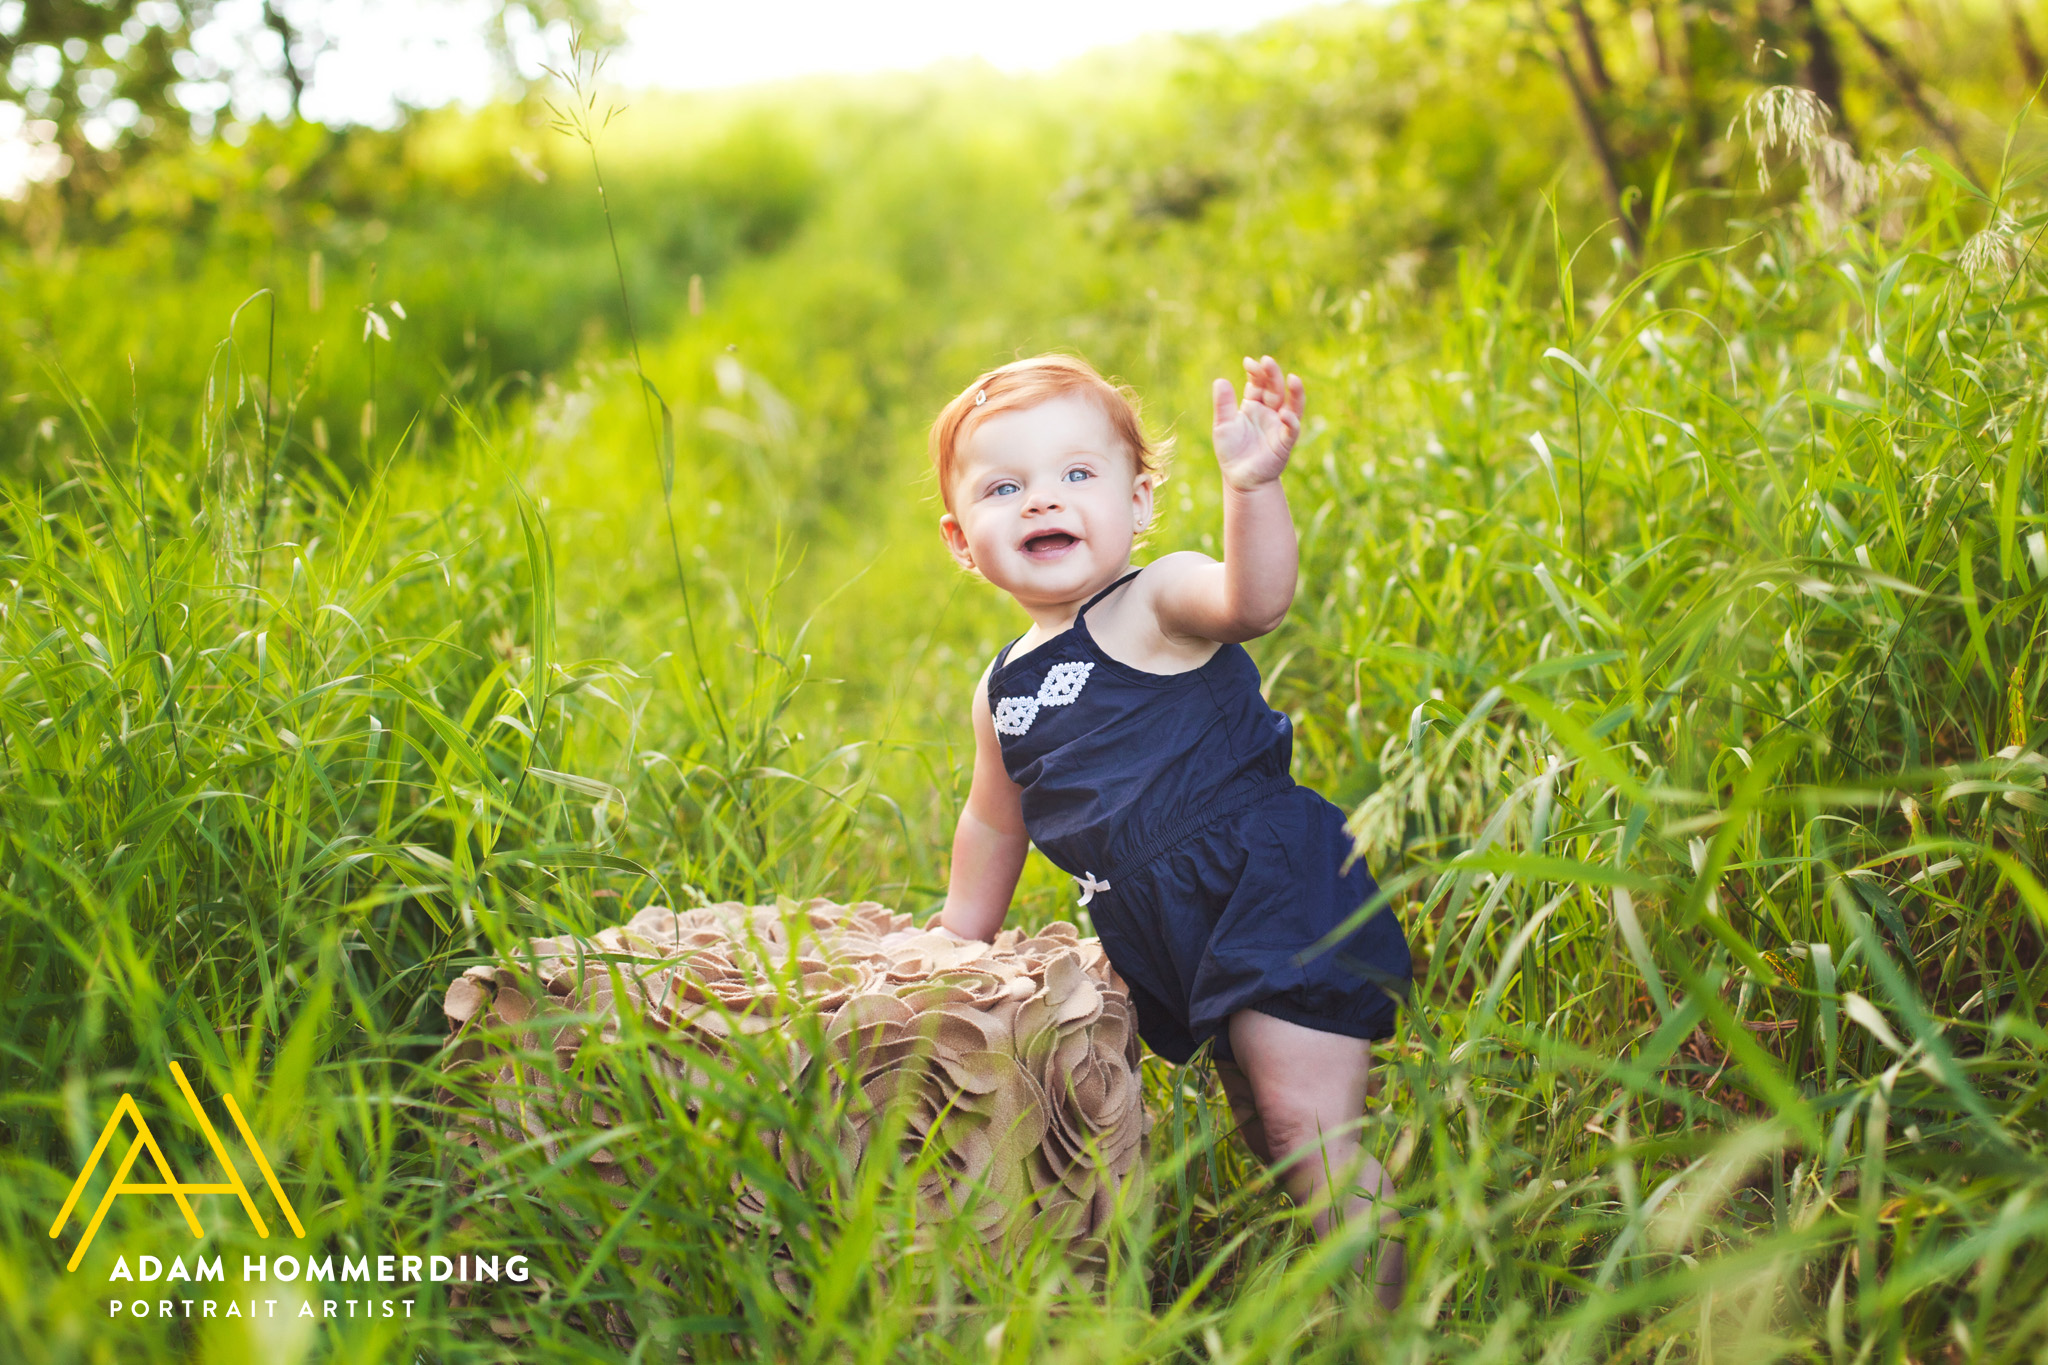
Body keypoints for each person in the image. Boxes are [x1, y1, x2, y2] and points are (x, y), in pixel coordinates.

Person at [929, 352, 1411, 1306]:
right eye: (1005, 487)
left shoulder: (1157, 598)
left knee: (1305, 1128)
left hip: (1263, 882)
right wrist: (955, 939)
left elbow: (1254, 601)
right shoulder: (1002, 687)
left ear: (1138, 500)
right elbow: (995, 817)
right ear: (959, 539)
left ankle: (1396, 1333)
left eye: (1076, 474)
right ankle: (1346, 1293)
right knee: (1268, 1130)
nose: (1041, 502)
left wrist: (1253, 486)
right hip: (1168, 924)